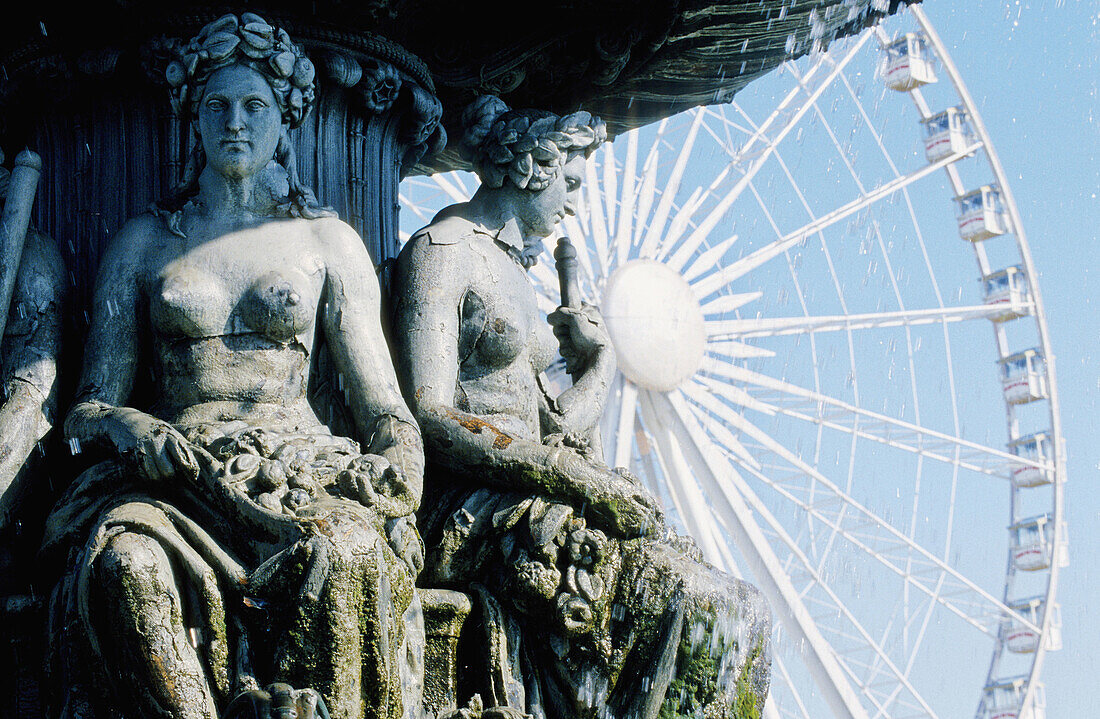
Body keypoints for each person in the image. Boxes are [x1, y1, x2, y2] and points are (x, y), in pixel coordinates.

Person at [42, 15, 425, 719]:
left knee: (344, 553)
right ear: (192, 120)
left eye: (255, 106)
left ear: (287, 120)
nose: (235, 123)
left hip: (301, 474)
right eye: (216, 106)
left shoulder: (328, 243)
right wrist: (129, 426)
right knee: (126, 565)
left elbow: (388, 413)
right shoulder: (143, 243)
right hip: (175, 479)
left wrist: (397, 483)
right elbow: (87, 406)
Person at [392, 96, 770, 719]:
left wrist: (601, 366)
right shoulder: (443, 252)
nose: (574, 201)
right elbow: (430, 411)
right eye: (569, 182)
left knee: (736, 607)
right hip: (471, 502)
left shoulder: (516, 270)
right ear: (530, 169)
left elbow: (556, 428)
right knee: (676, 601)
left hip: (532, 486)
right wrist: (567, 475)